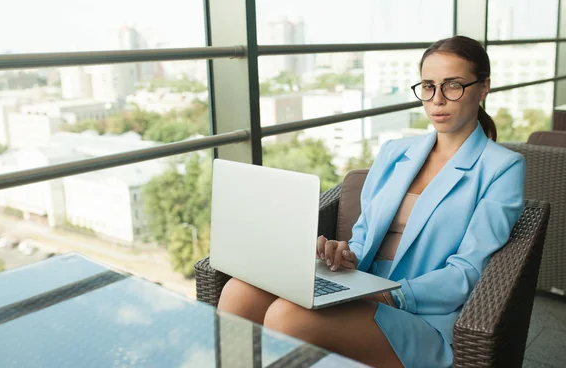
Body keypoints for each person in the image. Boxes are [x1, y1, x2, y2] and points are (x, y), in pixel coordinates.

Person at [217, 35, 525, 368]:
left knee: (287, 317)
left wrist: (389, 294)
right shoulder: (395, 153)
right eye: (428, 86)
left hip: (423, 313)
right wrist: (344, 255)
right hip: (360, 288)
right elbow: (363, 238)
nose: (437, 100)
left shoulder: (502, 168)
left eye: (452, 86)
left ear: (483, 88)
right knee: (240, 291)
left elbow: (466, 272)